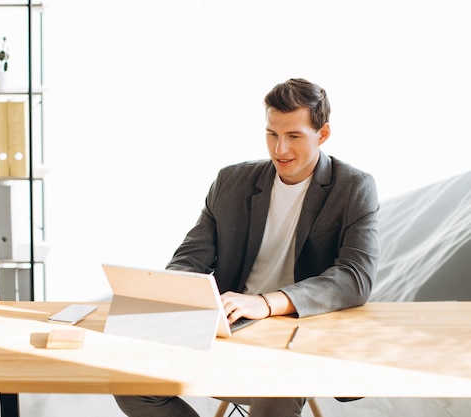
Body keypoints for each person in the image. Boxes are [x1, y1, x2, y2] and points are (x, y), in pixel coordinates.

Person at [114, 78, 380, 417]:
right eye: (272, 134)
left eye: (294, 136)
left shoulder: (353, 187)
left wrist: (265, 304)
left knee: (274, 395)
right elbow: (190, 258)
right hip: (230, 326)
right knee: (131, 384)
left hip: (298, 332)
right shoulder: (231, 182)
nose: (280, 149)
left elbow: (355, 278)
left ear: (322, 134)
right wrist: (177, 295)